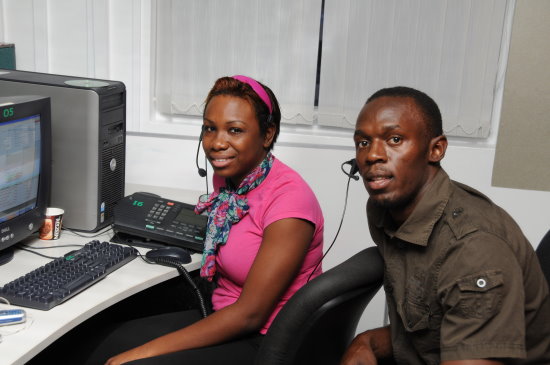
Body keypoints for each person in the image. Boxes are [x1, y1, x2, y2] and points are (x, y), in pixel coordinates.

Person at [86, 76, 324, 365]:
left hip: (268, 341)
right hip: (222, 314)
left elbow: (250, 315)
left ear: (267, 134)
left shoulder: (290, 201)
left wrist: (140, 353)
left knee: (128, 361)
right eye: (210, 129)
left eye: (235, 130)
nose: (217, 143)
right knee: (96, 345)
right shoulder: (228, 178)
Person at [340, 86, 550, 365]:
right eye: (363, 142)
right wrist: (367, 342)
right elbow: (429, 326)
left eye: (394, 139)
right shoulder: (383, 210)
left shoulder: (473, 248)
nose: (372, 156)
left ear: (435, 149)